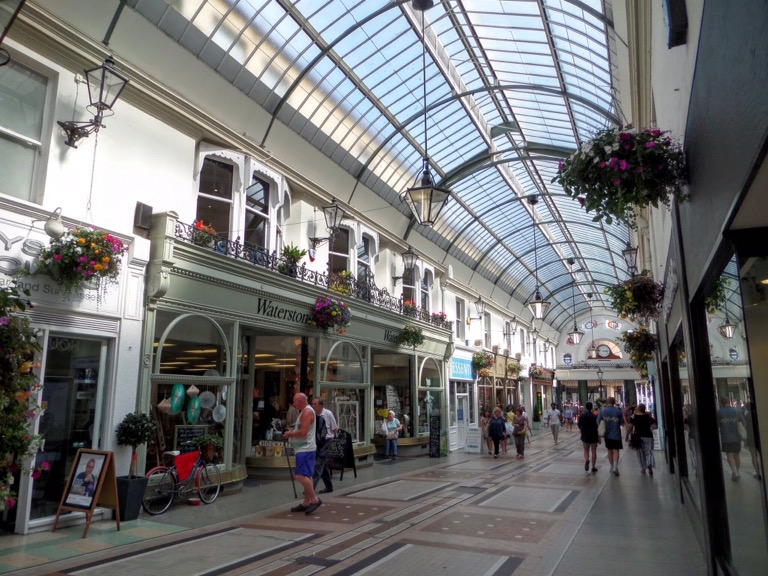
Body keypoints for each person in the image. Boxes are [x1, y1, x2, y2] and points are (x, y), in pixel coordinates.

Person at [283, 393, 322, 514]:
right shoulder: (306, 411)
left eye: (295, 401)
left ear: (300, 401)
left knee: (300, 475)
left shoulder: (306, 412)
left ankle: (314, 499)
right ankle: (306, 502)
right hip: (305, 448)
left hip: (305, 449)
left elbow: (303, 432)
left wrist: (290, 434)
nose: (294, 404)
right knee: (307, 475)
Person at [311, 397, 338, 494]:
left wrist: (332, 440)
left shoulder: (328, 414)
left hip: (327, 440)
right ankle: (329, 486)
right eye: (312, 404)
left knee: (318, 464)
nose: (313, 406)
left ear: (321, 405)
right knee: (323, 465)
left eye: (315, 404)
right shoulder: (313, 415)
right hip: (318, 442)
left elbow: (334, 428)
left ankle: (310, 488)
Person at [718, 397, 746, 481]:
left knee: (730, 455)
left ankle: (734, 472)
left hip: (726, 437)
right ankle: (737, 472)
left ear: (721, 403)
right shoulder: (736, 410)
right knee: (736, 455)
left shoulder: (719, 412)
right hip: (736, 437)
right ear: (729, 402)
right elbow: (743, 422)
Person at [597, 397, 624, 476]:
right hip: (616, 434)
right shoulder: (618, 411)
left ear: (607, 402)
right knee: (616, 451)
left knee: (609, 450)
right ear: (614, 402)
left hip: (607, 435)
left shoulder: (603, 411)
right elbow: (622, 423)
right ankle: (615, 467)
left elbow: (598, 422)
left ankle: (611, 466)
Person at [628, 404, 657, 475]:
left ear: (638, 409)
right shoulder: (648, 416)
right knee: (649, 451)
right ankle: (649, 463)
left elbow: (630, 427)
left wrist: (627, 435)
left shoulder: (633, 416)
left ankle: (643, 468)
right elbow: (655, 426)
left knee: (640, 453)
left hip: (638, 437)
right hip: (648, 436)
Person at [578, 402, 600, 472]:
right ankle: (593, 466)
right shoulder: (594, 416)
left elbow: (579, 425)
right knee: (594, 451)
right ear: (592, 407)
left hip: (585, 435)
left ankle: (587, 459)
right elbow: (597, 426)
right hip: (593, 435)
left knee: (586, 450)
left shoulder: (582, 416)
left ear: (585, 407)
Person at [743, 402, 762, 480]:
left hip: (751, 438)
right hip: (760, 436)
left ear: (747, 408)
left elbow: (745, 427)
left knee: (754, 456)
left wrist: (745, 440)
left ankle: (758, 473)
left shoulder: (747, 416)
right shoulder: (759, 414)